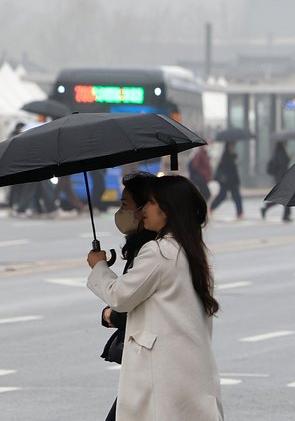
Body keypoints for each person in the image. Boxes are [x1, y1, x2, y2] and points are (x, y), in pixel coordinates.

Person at [86, 174, 223, 420]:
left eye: (149, 203)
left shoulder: (159, 251)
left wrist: (99, 267)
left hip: (161, 374)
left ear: (168, 209)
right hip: (189, 370)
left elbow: (120, 297)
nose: (142, 211)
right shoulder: (193, 251)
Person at [98, 172, 160, 421]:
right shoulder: (147, 248)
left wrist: (99, 268)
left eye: (125, 205)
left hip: (150, 362)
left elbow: (125, 301)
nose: (120, 212)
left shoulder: (155, 252)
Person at [260, 141, 292, 222]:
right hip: (282, 178)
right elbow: (282, 165)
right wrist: (289, 158)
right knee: (286, 197)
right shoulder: (281, 153)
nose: (287, 143)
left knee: (284, 197)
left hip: (281, 178)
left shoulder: (279, 152)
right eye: (286, 142)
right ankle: (285, 215)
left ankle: (267, 208)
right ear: (282, 144)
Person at [209, 143, 242, 220]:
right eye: (231, 146)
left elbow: (234, 168)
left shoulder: (234, 155)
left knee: (237, 197)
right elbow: (223, 168)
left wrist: (236, 162)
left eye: (233, 146)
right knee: (222, 196)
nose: (232, 148)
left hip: (233, 180)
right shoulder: (224, 156)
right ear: (227, 147)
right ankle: (211, 208)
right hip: (225, 180)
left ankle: (239, 213)